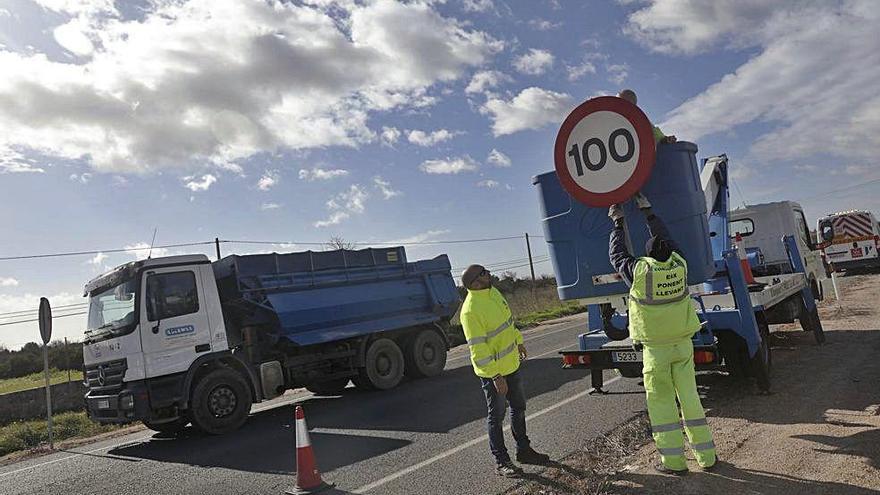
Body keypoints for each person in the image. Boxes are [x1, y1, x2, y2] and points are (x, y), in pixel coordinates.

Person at [607, 193, 717, 475]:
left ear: (648, 255)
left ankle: (674, 462)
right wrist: (649, 212)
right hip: (683, 345)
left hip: (656, 350)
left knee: (662, 404)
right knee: (690, 399)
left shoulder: (641, 271)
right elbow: (668, 238)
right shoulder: (680, 264)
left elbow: (616, 255)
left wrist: (618, 223)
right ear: (669, 251)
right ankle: (707, 458)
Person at [459, 264, 551, 477]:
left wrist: (519, 341)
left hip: (511, 365)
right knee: (496, 416)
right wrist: (495, 375)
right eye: (484, 272)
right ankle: (502, 462)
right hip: (494, 374)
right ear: (475, 282)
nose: (489, 274)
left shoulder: (494, 293)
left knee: (518, 408)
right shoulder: (471, 310)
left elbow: (508, 323)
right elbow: (478, 349)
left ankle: (524, 450)